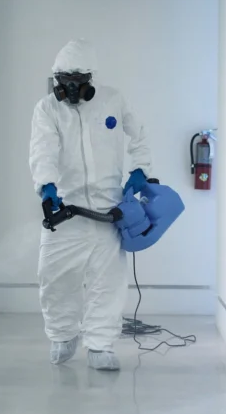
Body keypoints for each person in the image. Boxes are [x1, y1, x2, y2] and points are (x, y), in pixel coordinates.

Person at [29, 39, 151, 371]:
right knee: (54, 278)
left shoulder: (113, 101)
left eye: (76, 78)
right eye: (63, 78)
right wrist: (47, 185)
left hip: (107, 209)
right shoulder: (48, 109)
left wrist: (141, 168)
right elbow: (43, 148)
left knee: (108, 282)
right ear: (56, 79)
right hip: (67, 210)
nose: (70, 86)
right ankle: (63, 334)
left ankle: (99, 344)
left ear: (90, 78)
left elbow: (138, 133)